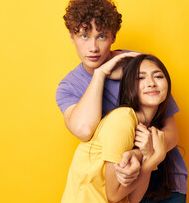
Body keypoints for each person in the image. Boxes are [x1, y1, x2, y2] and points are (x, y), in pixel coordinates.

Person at [56, 0, 187, 202]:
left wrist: (141, 155)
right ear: (72, 37)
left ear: (113, 36)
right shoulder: (69, 87)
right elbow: (84, 130)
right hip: (119, 186)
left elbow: (171, 132)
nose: (93, 47)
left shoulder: (141, 67)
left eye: (101, 36)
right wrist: (101, 74)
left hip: (163, 180)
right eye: (84, 36)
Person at [61, 54, 176, 202]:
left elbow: (133, 199)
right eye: (140, 78)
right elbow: (114, 195)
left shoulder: (145, 131)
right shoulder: (123, 119)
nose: (151, 83)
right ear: (128, 89)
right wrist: (156, 158)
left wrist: (148, 157)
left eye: (159, 77)